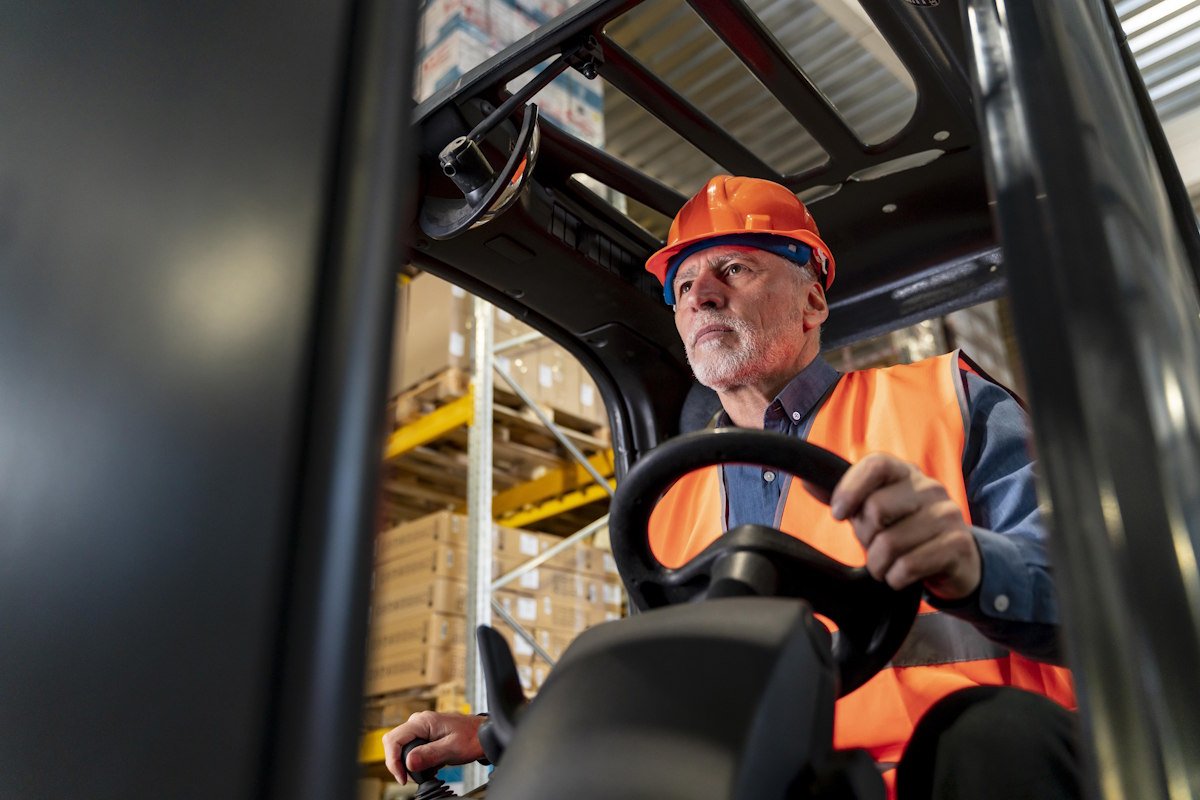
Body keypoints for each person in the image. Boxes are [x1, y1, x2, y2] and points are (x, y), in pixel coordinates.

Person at [382, 175, 1082, 799]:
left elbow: (1092, 596)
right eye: (683, 286)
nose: (701, 294)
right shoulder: (669, 503)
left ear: (813, 300)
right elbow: (665, 687)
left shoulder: (948, 403)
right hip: (758, 779)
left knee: (991, 735)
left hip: (949, 770)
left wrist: (975, 566)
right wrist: (499, 731)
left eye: (735, 268)